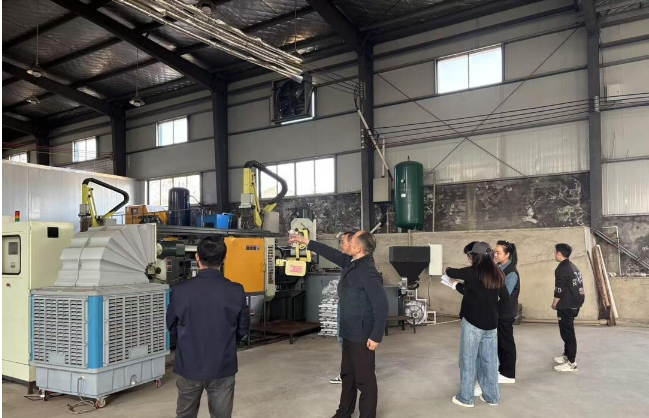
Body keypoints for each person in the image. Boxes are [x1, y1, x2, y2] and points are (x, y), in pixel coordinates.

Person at [289, 231, 388, 418]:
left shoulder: (368, 272)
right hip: (348, 331)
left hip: (361, 334)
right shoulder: (351, 262)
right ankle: (343, 413)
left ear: (358, 248)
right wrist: (304, 241)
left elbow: (381, 306)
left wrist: (376, 336)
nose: (345, 243)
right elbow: (329, 252)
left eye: (350, 241)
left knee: (365, 381)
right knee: (348, 375)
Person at [167, 236, 251, 418]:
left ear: (197, 257)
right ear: (224, 259)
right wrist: (228, 341)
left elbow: (171, 325)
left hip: (189, 364)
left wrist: (187, 340)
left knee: (185, 415)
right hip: (223, 364)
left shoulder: (180, 290)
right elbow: (243, 327)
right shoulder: (235, 290)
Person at [446, 242, 509, 408]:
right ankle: (491, 397)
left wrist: (447, 270)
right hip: (491, 324)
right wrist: (493, 311)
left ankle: (466, 398)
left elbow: (450, 271)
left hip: (472, 323)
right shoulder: (498, 273)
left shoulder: (472, 272)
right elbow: (506, 299)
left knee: (467, 360)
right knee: (489, 361)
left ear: (475, 257)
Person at [552, 243, 585, 373]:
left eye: (555, 252)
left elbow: (559, 289)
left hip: (567, 304)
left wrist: (555, 303)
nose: (554, 254)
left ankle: (572, 363)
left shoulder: (562, 268)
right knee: (567, 331)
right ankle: (566, 355)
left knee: (567, 333)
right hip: (575, 303)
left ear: (559, 253)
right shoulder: (572, 266)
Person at [330, 231, 357, 385]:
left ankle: (353, 373)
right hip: (345, 304)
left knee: (350, 340)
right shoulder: (349, 261)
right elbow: (329, 252)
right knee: (344, 340)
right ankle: (353, 371)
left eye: (343, 242)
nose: (341, 245)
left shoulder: (359, 265)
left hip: (352, 307)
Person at [493, 240, 520, 384]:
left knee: (506, 343)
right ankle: (502, 370)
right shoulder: (499, 268)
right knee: (500, 343)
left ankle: (509, 374)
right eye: (495, 252)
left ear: (507, 254)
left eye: (498, 253)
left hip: (505, 313)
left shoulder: (511, 273)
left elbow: (503, 295)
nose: (495, 255)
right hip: (499, 312)